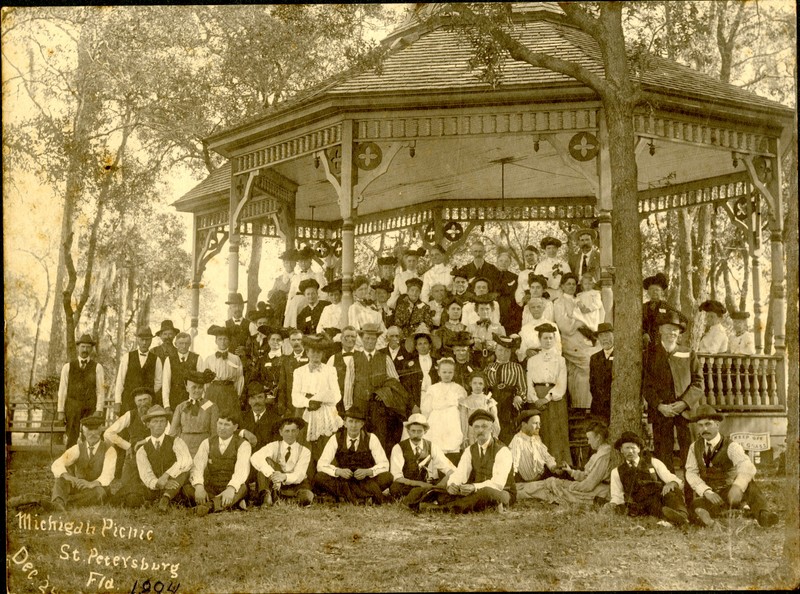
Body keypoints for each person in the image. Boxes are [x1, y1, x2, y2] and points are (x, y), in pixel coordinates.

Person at [684, 405, 778, 528]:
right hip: (711, 494)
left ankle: (763, 515)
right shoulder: (694, 447)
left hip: (730, 492)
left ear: (717, 425)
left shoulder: (731, 446)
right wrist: (706, 491)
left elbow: (746, 466)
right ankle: (721, 517)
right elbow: (691, 472)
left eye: (708, 424)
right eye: (701, 425)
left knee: (750, 486)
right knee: (695, 506)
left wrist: (738, 486)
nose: (704, 428)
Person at [419, 409, 515, 513]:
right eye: (476, 427)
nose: (480, 430)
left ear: (491, 428)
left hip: (502, 492)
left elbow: (498, 484)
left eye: (484, 426)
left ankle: (443, 509)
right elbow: (461, 473)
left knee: (486, 493)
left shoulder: (502, 450)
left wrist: (474, 487)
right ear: (473, 429)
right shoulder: (470, 450)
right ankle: (467, 505)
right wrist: (453, 485)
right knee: (445, 492)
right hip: (475, 491)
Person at [642, 310, 704, 472]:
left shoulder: (688, 352)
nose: (672, 332)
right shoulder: (650, 354)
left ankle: (691, 494)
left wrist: (683, 403)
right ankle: (668, 493)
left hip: (686, 413)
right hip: (662, 413)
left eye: (675, 329)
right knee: (663, 456)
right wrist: (660, 406)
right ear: (660, 330)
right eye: (668, 328)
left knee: (690, 455)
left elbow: (698, 383)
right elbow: (646, 385)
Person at [115, 405, 192, 511]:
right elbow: (146, 475)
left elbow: (186, 461)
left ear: (166, 424)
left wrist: (166, 476)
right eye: (155, 421)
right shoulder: (142, 450)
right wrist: (159, 483)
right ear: (148, 424)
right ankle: (161, 500)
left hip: (176, 485)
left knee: (187, 482)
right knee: (132, 497)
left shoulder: (176, 441)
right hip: (155, 488)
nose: (159, 425)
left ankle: (166, 498)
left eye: (162, 421)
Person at [605, 431, 689, 526]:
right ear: (621, 450)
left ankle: (681, 516)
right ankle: (671, 521)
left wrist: (672, 483)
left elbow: (674, 479)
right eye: (627, 448)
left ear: (639, 449)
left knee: (672, 492)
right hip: (640, 505)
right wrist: (612, 504)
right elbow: (617, 495)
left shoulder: (653, 462)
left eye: (633, 448)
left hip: (659, 498)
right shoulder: (617, 471)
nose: (630, 451)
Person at [314, 406, 394, 504]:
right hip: (344, 479)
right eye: (351, 421)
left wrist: (368, 471)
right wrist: (338, 471)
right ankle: (364, 496)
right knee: (319, 477)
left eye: (357, 422)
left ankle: (345, 496)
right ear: (345, 423)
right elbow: (321, 464)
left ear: (362, 424)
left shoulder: (371, 438)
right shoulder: (336, 438)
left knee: (388, 477)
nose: (353, 425)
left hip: (364, 480)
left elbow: (384, 464)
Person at [521, 421, 612, 505]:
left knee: (552, 484)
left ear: (598, 438)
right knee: (551, 483)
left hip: (597, 492)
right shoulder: (600, 453)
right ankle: (520, 489)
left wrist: (571, 486)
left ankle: (519, 493)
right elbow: (587, 476)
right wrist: (570, 471)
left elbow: (589, 484)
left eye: (589, 438)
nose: (588, 442)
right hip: (590, 488)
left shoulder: (604, 455)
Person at [352, 323, 408, 454]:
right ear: (362, 339)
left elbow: (395, 382)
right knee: (360, 440)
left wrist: (383, 392)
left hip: (380, 409)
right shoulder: (354, 359)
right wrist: (350, 408)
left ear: (377, 340)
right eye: (367, 338)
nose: (370, 341)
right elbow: (349, 385)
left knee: (379, 440)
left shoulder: (385, 358)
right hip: (360, 407)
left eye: (373, 338)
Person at [185, 411, 252, 515]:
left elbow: (242, 470)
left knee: (242, 488)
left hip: (232, 486)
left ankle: (208, 506)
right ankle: (227, 504)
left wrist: (231, 488)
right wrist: (199, 486)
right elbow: (197, 466)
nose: (222, 427)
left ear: (235, 427)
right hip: (212, 487)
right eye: (220, 423)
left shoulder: (243, 444)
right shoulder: (207, 442)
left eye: (226, 425)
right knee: (187, 488)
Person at [526, 323, 572, 465]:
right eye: (545, 338)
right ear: (540, 339)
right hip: (537, 398)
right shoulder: (532, 360)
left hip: (554, 398)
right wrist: (535, 399)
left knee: (556, 431)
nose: (548, 341)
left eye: (551, 338)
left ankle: (559, 465)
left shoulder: (560, 360)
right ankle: (541, 465)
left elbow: (561, 382)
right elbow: (529, 382)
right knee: (540, 430)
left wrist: (546, 398)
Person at [292, 334, 344, 459]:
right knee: (304, 446)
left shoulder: (330, 370)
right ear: (307, 353)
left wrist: (320, 399)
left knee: (326, 445)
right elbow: (295, 396)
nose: (316, 356)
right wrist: (309, 403)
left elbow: (337, 395)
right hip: (305, 412)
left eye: (319, 353)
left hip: (326, 412)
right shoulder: (299, 372)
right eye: (313, 352)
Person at [50, 414, 117, 511]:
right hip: (79, 485)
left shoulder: (109, 450)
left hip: (97, 487)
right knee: (60, 479)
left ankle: (66, 503)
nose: (93, 433)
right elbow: (57, 463)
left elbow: (108, 475)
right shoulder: (77, 448)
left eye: (96, 429)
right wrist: (68, 476)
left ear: (101, 429)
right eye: (89, 430)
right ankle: (58, 503)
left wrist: (92, 484)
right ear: (83, 431)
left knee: (99, 494)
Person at [553, 273, 597, 410]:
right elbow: (563, 325)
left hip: (585, 340)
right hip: (570, 341)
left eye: (573, 284)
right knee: (586, 364)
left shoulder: (579, 299)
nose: (571, 287)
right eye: (568, 284)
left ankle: (585, 406)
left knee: (579, 372)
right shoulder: (559, 302)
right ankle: (581, 405)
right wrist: (580, 323)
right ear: (562, 286)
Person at [389, 413, 456, 502]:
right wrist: (420, 484)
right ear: (408, 431)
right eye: (413, 431)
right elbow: (396, 477)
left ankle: (426, 494)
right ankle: (428, 495)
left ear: (425, 431)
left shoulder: (431, 446)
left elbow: (450, 469)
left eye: (419, 431)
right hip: (407, 484)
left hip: (427, 483)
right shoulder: (398, 447)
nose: (416, 435)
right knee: (395, 488)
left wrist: (441, 484)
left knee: (446, 485)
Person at [250, 417, 314, 507]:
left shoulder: (304, 451)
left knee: (307, 496)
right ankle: (267, 497)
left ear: (298, 432)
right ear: (281, 432)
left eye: (293, 431)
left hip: (296, 484)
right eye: (287, 431)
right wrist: (273, 475)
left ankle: (282, 499)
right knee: (264, 465)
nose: (290, 434)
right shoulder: (274, 445)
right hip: (275, 484)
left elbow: (299, 475)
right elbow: (255, 457)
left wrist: (283, 477)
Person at [57, 334, 106, 448]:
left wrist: (99, 409)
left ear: (91, 349)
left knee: (90, 436)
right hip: (72, 406)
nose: (85, 350)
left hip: (90, 407)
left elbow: (100, 390)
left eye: (88, 347)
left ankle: (88, 463)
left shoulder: (97, 367)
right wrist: (60, 411)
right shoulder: (68, 367)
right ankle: (70, 463)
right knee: (71, 437)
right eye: (83, 347)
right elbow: (62, 390)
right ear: (78, 347)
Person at [104, 387, 155, 481]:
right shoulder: (130, 415)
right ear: (135, 402)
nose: (143, 403)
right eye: (139, 400)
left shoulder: (158, 413)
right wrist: (127, 446)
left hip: (155, 454)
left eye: (145, 399)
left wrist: (146, 441)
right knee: (127, 484)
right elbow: (108, 433)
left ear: (150, 400)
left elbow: (169, 434)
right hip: (135, 455)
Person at [484, 334, 526, 446]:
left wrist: (519, 396)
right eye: (500, 350)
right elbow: (485, 387)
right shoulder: (489, 367)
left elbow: (522, 387)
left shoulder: (516, 367)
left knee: (509, 431)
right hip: (493, 402)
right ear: (495, 351)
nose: (503, 354)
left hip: (510, 403)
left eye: (507, 351)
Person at [421, 358, 466, 463]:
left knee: (452, 444)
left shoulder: (458, 388)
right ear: (438, 373)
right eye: (444, 372)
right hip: (437, 420)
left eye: (450, 372)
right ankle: (434, 474)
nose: (447, 375)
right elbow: (426, 409)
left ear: (454, 373)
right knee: (437, 446)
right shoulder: (433, 388)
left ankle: (452, 472)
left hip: (452, 420)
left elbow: (463, 408)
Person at [511, 410, 560, 500]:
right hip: (531, 480)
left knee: (569, 472)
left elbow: (546, 456)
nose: (538, 427)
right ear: (524, 425)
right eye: (535, 423)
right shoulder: (518, 440)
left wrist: (553, 467)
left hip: (545, 473)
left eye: (539, 423)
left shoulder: (536, 438)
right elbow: (513, 463)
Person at [169, 369, 219, 457]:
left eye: (200, 387)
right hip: (184, 447)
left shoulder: (211, 406)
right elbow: (173, 432)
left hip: (204, 446)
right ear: (187, 388)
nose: (197, 390)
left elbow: (215, 433)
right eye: (194, 387)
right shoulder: (181, 407)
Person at [114, 326, 162, 415]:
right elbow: (120, 381)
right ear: (138, 340)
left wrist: (148, 393)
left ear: (151, 340)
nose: (144, 343)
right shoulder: (127, 357)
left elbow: (158, 382)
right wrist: (118, 401)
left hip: (147, 403)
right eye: (142, 340)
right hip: (128, 401)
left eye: (147, 340)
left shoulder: (156, 359)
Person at [203, 325, 245, 416]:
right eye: (220, 339)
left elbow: (239, 378)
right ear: (216, 341)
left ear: (229, 341)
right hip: (213, 392)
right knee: (212, 414)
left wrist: (236, 395)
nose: (222, 342)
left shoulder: (235, 358)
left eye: (225, 339)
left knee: (230, 416)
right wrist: (209, 392)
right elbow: (205, 381)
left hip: (229, 392)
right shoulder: (209, 359)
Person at [398, 326, 440, 411]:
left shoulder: (437, 363)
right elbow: (405, 388)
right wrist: (413, 405)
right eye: (420, 344)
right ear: (416, 347)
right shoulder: (409, 364)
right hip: (417, 402)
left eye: (425, 343)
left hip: (435, 402)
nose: (423, 346)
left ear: (430, 345)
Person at [284, 246, 326, 329]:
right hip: (294, 305)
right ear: (298, 262)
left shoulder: (317, 276)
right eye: (301, 261)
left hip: (309, 303)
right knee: (292, 325)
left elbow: (323, 293)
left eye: (305, 261)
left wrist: (318, 306)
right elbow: (290, 295)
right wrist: (287, 310)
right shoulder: (296, 277)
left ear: (310, 261)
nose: (303, 263)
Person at [162, 331, 203, 412]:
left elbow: (202, 383)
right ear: (175, 344)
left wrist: (200, 402)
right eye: (181, 343)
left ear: (190, 344)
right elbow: (166, 384)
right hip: (174, 400)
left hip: (192, 400)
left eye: (186, 343)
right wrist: (166, 405)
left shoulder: (197, 358)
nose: (184, 346)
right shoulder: (169, 359)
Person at [458, 370, 500, 447]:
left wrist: (495, 434)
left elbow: (495, 419)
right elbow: (463, 421)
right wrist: (464, 437)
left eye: (480, 383)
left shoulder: (489, 401)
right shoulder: (466, 402)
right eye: (475, 383)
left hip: (486, 431)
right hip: (471, 433)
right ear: (470, 384)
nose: (477, 386)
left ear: (484, 385)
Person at [517, 296, 562, 362]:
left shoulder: (552, 325)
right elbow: (523, 347)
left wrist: (544, 355)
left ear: (543, 308)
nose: (536, 309)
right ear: (530, 310)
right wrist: (526, 352)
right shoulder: (525, 328)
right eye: (533, 307)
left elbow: (558, 346)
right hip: (531, 360)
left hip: (549, 359)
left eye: (539, 307)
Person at [239, 381, 281, 450]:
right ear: (249, 401)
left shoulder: (276, 420)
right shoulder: (241, 417)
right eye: (253, 398)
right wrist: (243, 432)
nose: (257, 401)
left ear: (265, 399)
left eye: (260, 397)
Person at [466, 294, 505, 368]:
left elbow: (503, 347)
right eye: (482, 309)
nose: (485, 312)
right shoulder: (470, 328)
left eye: (487, 309)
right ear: (477, 310)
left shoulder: (499, 328)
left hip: (493, 360)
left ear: (492, 310)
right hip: (475, 360)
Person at [327, 326, 359, 414]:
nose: (350, 339)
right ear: (341, 338)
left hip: (357, 402)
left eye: (353, 337)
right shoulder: (333, 358)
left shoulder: (362, 357)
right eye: (347, 336)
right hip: (338, 403)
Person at [277, 328, 309, 415]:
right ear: (289, 342)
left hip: (309, 404)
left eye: (299, 339)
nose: (296, 342)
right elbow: (282, 385)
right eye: (293, 340)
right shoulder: (286, 361)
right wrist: (282, 408)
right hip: (292, 405)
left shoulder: (311, 358)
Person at [250, 326, 288, 396]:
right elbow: (253, 380)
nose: (275, 342)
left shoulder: (287, 360)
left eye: (278, 340)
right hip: (265, 395)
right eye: (273, 339)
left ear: (282, 342)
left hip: (283, 395)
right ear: (268, 341)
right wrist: (262, 387)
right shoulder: (261, 360)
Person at [589, 322, 614, 424]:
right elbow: (592, 383)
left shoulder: (621, 355)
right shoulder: (594, 358)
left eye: (607, 335)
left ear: (614, 335)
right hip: (599, 407)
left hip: (615, 404)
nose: (604, 339)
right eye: (601, 336)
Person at [348, 276, 384, 342]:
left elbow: (382, 327)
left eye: (365, 288)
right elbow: (355, 330)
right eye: (360, 289)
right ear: (355, 292)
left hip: (379, 340)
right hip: (364, 342)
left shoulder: (372, 306)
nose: (364, 291)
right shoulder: (354, 308)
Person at [534, 236, 570, 301]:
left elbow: (569, 281)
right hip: (545, 295)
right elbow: (535, 283)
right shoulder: (540, 266)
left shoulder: (564, 265)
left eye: (554, 248)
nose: (551, 250)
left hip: (560, 294)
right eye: (549, 248)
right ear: (545, 250)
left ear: (557, 249)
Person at [495, 251, 522, 333]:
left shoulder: (514, 277)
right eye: (501, 260)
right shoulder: (491, 275)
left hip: (509, 308)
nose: (503, 263)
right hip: (495, 306)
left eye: (506, 261)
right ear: (497, 261)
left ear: (510, 263)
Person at [642, 273, 670, 347]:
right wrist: (643, 333)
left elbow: (682, 320)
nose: (654, 292)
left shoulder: (667, 307)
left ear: (661, 292)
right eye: (651, 289)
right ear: (648, 292)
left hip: (662, 342)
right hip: (645, 343)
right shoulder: (643, 307)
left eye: (657, 290)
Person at [225, 293, 255, 358]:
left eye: (239, 306)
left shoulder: (251, 325)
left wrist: (246, 350)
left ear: (243, 307)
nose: (237, 309)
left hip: (245, 361)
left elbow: (256, 345)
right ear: (230, 308)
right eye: (234, 306)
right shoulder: (225, 325)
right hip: (229, 360)